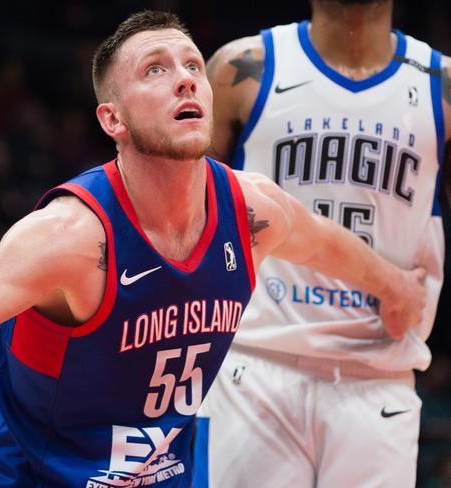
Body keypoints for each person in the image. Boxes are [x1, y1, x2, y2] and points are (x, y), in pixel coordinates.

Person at [0, 10, 427, 487]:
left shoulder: (250, 209)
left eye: (191, 64)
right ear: (112, 120)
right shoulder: (73, 238)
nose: (186, 75)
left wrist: (395, 288)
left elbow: (327, 245)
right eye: (155, 69)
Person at [194, 1, 449, 486]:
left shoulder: (441, 85)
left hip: (378, 375)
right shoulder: (242, 68)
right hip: (253, 366)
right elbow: (180, 216)